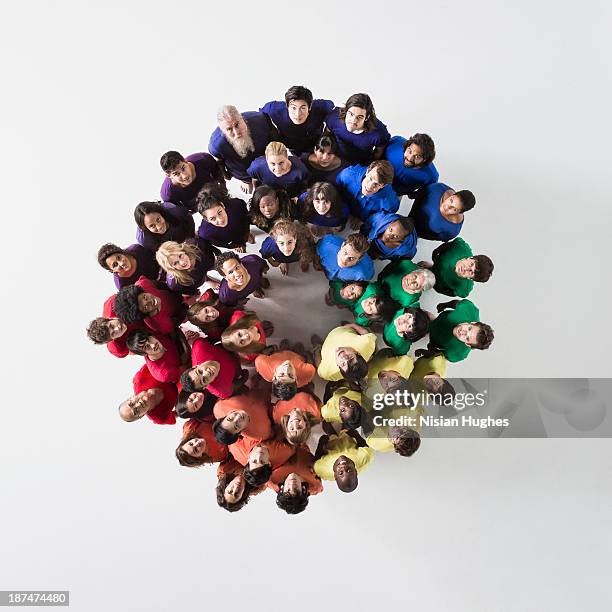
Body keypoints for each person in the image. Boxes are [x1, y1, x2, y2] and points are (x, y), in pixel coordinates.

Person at [208, 105, 277, 191]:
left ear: (243, 119)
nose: (236, 133)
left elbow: (277, 142)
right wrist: (242, 180)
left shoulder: (261, 120)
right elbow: (220, 164)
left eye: (237, 125)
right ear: (223, 131)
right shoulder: (216, 145)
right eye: (229, 129)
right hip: (244, 175)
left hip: (269, 167)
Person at [260, 85, 334, 155]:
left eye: (303, 108)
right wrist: (273, 132)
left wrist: (326, 134)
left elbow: (333, 108)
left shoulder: (320, 108)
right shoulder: (274, 109)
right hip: (287, 148)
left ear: (310, 108)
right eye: (293, 108)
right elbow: (261, 115)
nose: (297, 114)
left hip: (314, 148)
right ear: (287, 107)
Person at [364, 371, 423, 456]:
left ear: (393, 442)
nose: (398, 429)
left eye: (397, 437)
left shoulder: (376, 441)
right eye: (404, 430)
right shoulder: (413, 414)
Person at [324, 93, 390, 164]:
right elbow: (326, 136)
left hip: (360, 164)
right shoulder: (334, 118)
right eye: (351, 114)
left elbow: (378, 153)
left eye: (359, 117)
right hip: (335, 158)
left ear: (367, 117)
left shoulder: (378, 133)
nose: (353, 121)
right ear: (346, 111)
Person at [420, 237, 494, 297]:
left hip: (437, 282)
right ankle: (430, 267)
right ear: (471, 258)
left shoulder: (463, 288)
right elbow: (444, 247)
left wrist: (434, 285)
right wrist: (434, 258)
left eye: (471, 272)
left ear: (471, 278)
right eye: (471, 264)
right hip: (437, 263)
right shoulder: (461, 247)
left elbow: (447, 292)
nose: (466, 269)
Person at [426, 299, 495, 363]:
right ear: (473, 322)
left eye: (467, 338)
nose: (462, 332)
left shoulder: (459, 353)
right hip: (438, 319)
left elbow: (441, 354)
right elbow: (456, 303)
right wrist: (444, 305)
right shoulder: (470, 310)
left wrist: (431, 349)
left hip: (431, 337)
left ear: (468, 344)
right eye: (469, 328)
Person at [113, 276, 185, 336]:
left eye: (145, 297)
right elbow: (181, 317)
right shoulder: (159, 325)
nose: (150, 301)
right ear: (144, 314)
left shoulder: (143, 284)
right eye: (145, 307)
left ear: (142, 291)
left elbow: (166, 285)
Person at [313, 323, 377, 386]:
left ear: (339, 366)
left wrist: (317, 349)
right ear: (358, 353)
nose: (343, 357)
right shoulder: (366, 344)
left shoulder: (328, 373)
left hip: (327, 343)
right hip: (345, 330)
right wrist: (352, 325)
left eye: (343, 364)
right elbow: (366, 333)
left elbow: (320, 368)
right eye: (350, 358)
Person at [409, 182, 475, 241]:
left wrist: (416, 233)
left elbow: (434, 237)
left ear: (460, 212)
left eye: (454, 209)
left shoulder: (453, 230)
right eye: (451, 200)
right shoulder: (438, 188)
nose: (447, 207)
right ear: (452, 195)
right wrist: (411, 216)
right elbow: (421, 195)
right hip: (412, 214)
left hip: (417, 233)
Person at [196, 187, 253, 252]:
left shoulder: (236, 205)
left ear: (222, 205)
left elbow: (246, 219)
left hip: (240, 227)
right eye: (212, 218)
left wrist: (246, 235)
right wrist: (235, 245)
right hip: (230, 239)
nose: (220, 220)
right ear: (207, 220)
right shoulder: (205, 233)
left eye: (220, 212)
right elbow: (222, 244)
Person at [269, 447, 323, 514]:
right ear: (303, 490)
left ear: (282, 489)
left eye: (288, 490)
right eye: (296, 489)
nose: (292, 484)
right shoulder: (314, 485)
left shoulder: (271, 479)